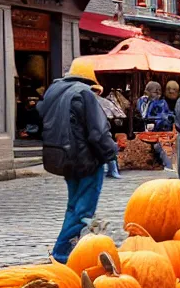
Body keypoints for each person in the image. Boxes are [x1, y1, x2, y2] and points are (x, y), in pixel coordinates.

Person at [37, 58, 118, 264]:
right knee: (83, 209)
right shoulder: (83, 93)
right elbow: (98, 133)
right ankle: (61, 253)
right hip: (86, 160)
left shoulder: (54, 92)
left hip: (63, 157)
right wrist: (111, 154)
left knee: (73, 205)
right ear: (90, 81)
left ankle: (69, 250)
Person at [91, 84, 121, 180]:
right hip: (100, 128)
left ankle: (112, 170)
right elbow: (119, 114)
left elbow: (119, 114)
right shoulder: (104, 102)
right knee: (108, 148)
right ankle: (112, 170)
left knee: (108, 147)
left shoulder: (102, 102)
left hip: (98, 128)